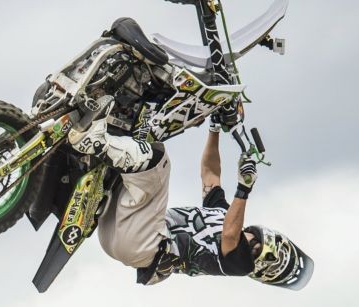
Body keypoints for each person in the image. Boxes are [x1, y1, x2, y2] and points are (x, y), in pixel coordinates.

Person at [67, 117, 314, 289]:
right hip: (127, 233)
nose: (250, 244)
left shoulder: (237, 265)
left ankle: (95, 143)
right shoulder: (223, 215)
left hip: (144, 245)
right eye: (256, 243)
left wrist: (244, 187)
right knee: (141, 146)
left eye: (254, 251)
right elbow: (210, 174)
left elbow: (230, 236)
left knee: (157, 162)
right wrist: (214, 128)